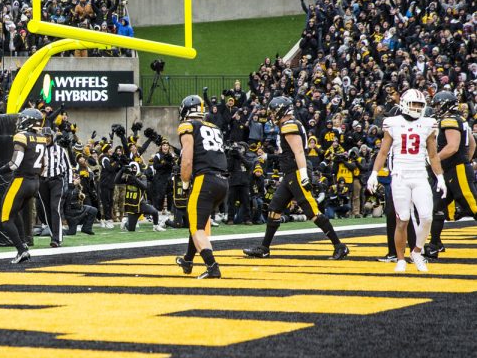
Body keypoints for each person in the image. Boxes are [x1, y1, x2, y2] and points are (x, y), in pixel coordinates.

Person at [244, 97, 349, 260]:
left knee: (312, 211)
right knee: (274, 209)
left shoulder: (289, 125)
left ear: (280, 110)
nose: (271, 114)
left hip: (297, 172)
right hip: (290, 174)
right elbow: (287, 154)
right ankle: (264, 248)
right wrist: (269, 156)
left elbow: (299, 152)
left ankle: (339, 246)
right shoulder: (289, 124)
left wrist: (304, 174)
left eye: (273, 111)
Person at [367, 89, 446, 273]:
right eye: (414, 104)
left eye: (420, 105)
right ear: (404, 104)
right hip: (400, 176)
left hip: (420, 174)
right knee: (402, 219)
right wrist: (374, 173)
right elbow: (383, 152)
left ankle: (417, 251)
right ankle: (400, 258)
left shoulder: (429, 124)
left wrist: (440, 177)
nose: (417, 108)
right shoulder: (392, 123)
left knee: (426, 217)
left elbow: (433, 155)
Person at [174, 95, 230, 279]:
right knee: (196, 220)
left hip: (205, 179)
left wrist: (184, 182)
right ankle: (188, 260)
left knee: (197, 227)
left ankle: (212, 266)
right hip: (222, 181)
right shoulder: (215, 127)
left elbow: (187, 158)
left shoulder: (187, 126)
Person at [0, 108, 49, 264]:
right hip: (35, 182)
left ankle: (21, 250)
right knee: (14, 214)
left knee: (5, 218)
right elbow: (44, 165)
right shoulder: (42, 138)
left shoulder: (22, 136)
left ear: (28, 120)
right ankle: (23, 246)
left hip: (21, 181)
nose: (19, 121)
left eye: (22, 118)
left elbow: (15, 164)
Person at [425, 91, 476, 259]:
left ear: (447, 104)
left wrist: (434, 159)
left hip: (455, 169)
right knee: (437, 207)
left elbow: (452, 147)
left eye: (439, 104)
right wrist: (465, 160)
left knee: (473, 205)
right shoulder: (460, 120)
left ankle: (435, 243)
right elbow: (472, 144)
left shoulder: (449, 120)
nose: (437, 108)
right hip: (451, 169)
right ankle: (435, 244)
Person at [38, 134, 72, 247]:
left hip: (56, 180)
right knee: (46, 210)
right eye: (44, 137)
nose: (46, 139)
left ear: (52, 137)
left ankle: (57, 238)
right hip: (42, 181)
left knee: (54, 207)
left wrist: (70, 182)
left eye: (48, 136)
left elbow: (68, 167)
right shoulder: (38, 149)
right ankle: (54, 236)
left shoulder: (60, 150)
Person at [120, 162, 163, 232]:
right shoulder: (128, 177)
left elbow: (144, 186)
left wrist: (134, 178)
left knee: (154, 211)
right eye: (132, 168)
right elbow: (116, 181)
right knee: (131, 229)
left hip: (140, 203)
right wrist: (121, 170)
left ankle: (156, 226)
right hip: (132, 205)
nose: (133, 170)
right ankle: (125, 223)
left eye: (134, 168)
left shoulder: (142, 176)